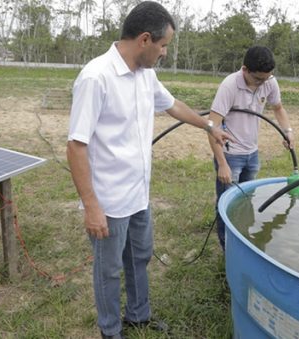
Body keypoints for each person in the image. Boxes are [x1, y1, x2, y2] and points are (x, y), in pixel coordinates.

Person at [65, 2, 231, 338]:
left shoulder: (146, 76)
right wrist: (92, 206)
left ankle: (138, 316)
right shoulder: (97, 77)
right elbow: (76, 146)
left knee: (140, 256)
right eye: (164, 45)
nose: (165, 53)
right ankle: (110, 331)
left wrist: (209, 126)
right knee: (109, 270)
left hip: (138, 193)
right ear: (145, 40)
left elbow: (173, 106)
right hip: (109, 201)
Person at [208, 46, 294, 250]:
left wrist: (287, 130)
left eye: (267, 79)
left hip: (252, 154)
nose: (263, 84)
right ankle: (227, 250)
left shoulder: (269, 81)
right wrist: (222, 164)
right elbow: (212, 126)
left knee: (246, 200)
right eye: (258, 80)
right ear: (245, 69)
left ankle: (243, 241)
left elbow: (278, 108)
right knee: (227, 204)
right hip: (230, 156)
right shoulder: (230, 86)